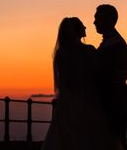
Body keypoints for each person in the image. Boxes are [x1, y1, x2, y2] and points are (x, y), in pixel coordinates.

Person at [41, 17, 123, 150]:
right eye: (82, 26)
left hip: (67, 104)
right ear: (76, 31)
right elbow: (99, 74)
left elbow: (63, 81)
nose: (86, 27)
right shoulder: (89, 51)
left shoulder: (61, 55)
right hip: (89, 101)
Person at [95, 4, 127, 147]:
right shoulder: (113, 42)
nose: (94, 22)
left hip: (112, 101)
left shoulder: (115, 45)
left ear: (108, 20)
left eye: (97, 18)